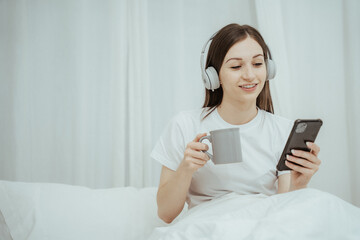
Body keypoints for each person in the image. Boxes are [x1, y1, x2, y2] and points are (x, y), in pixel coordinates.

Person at [150, 23, 322, 224]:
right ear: (213, 76)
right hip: (206, 227)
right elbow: (165, 213)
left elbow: (284, 214)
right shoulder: (184, 125)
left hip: (262, 227)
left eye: (257, 64)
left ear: (269, 69)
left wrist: (299, 184)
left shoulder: (283, 130)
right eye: (236, 66)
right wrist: (186, 169)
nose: (249, 75)